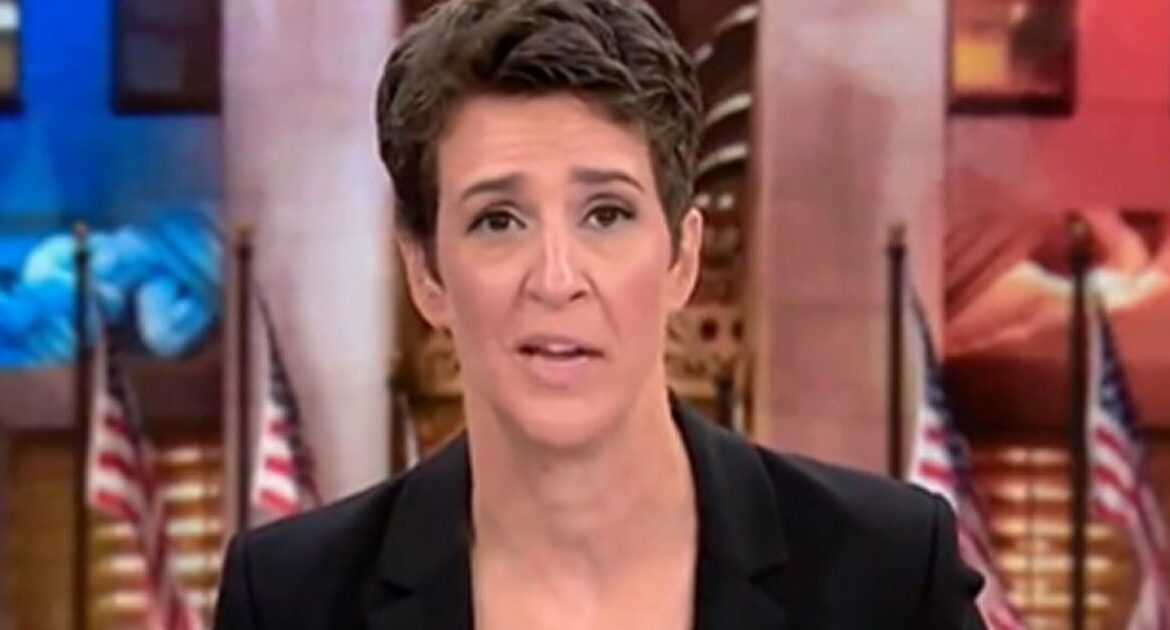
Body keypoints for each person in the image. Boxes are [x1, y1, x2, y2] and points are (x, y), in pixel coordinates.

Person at [213, 1, 986, 628]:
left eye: (606, 214)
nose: (556, 279)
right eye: (498, 221)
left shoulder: (886, 576)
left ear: (682, 257)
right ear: (426, 274)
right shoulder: (290, 600)